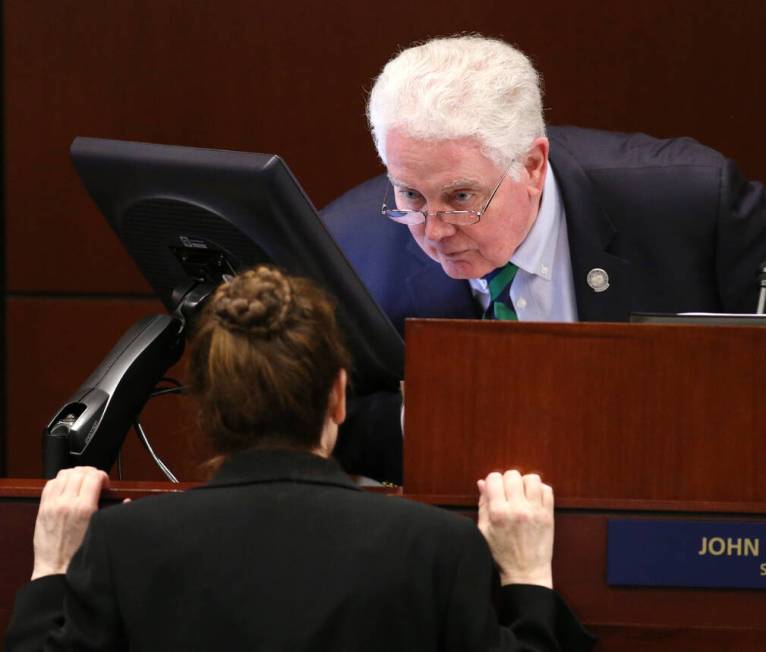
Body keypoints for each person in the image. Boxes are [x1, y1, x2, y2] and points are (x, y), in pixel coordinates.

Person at [322, 34, 766, 482]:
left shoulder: (688, 200)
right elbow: (321, 415)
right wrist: (432, 421)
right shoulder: (351, 247)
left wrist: (735, 419)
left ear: (533, 166)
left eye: (462, 198)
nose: (433, 229)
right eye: (410, 195)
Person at [5, 266, 594, 652]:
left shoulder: (121, 546)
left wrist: (51, 566)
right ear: (339, 396)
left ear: (206, 404)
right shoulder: (436, 548)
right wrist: (527, 580)